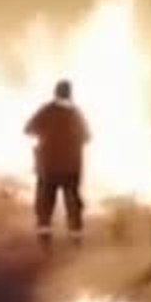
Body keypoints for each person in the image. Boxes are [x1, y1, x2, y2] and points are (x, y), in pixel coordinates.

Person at [24, 79, 91, 252]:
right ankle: (76, 242)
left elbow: (28, 129)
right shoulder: (76, 113)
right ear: (70, 93)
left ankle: (44, 243)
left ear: (55, 93)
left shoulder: (46, 111)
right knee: (73, 204)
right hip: (71, 168)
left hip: (48, 167)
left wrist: (47, 135)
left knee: (45, 204)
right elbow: (87, 137)